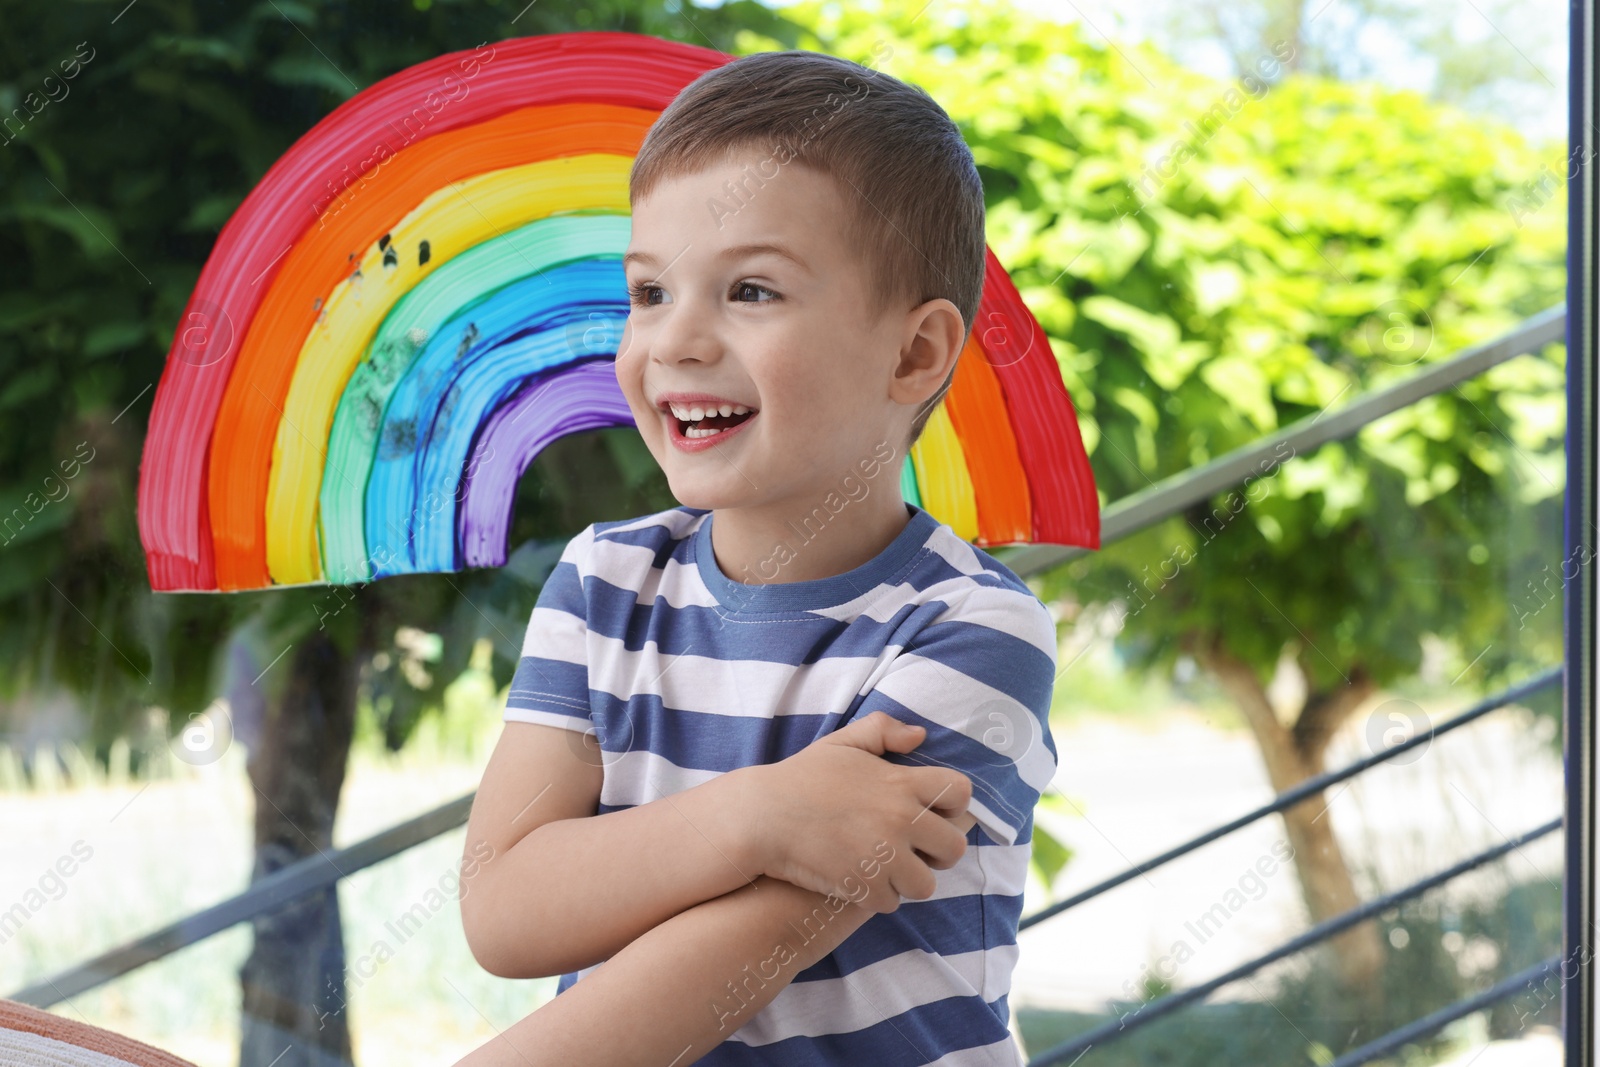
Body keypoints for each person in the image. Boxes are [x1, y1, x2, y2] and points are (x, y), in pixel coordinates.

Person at [455, 47, 1060, 1067]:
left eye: (749, 290)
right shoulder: (599, 583)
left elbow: (754, 945)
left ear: (913, 354)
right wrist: (756, 814)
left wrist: (755, 835)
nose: (675, 340)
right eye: (649, 291)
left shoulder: (969, 630)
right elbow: (503, 909)